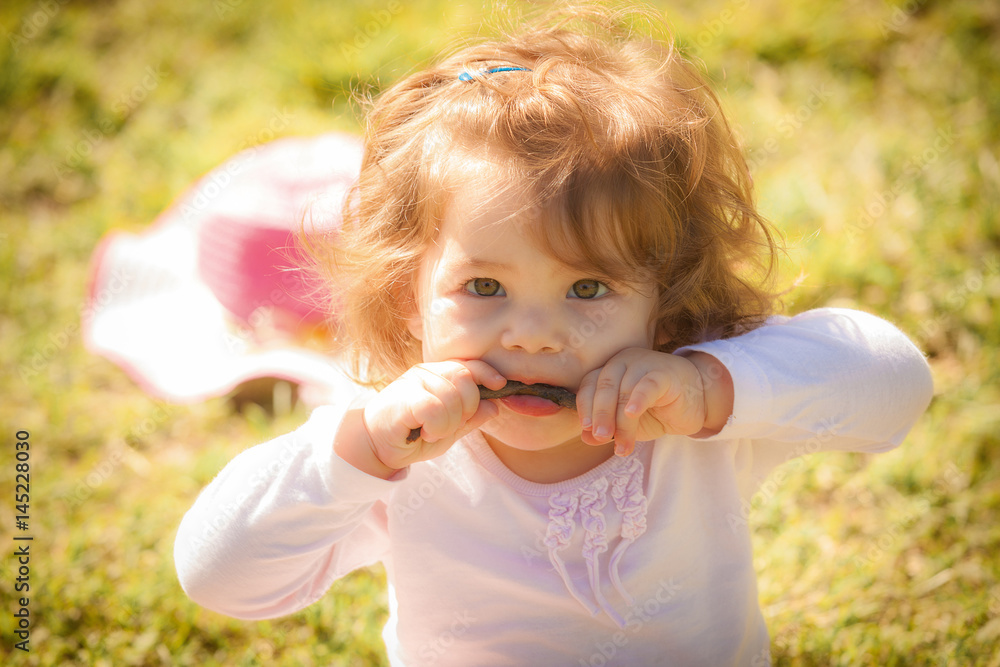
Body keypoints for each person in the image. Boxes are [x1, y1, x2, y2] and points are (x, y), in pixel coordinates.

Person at [174, 6, 934, 665]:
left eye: (589, 289)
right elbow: (218, 578)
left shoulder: (688, 404)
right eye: (484, 288)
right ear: (409, 298)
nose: (535, 336)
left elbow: (897, 384)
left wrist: (711, 387)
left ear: (663, 304)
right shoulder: (404, 440)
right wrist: (361, 449)